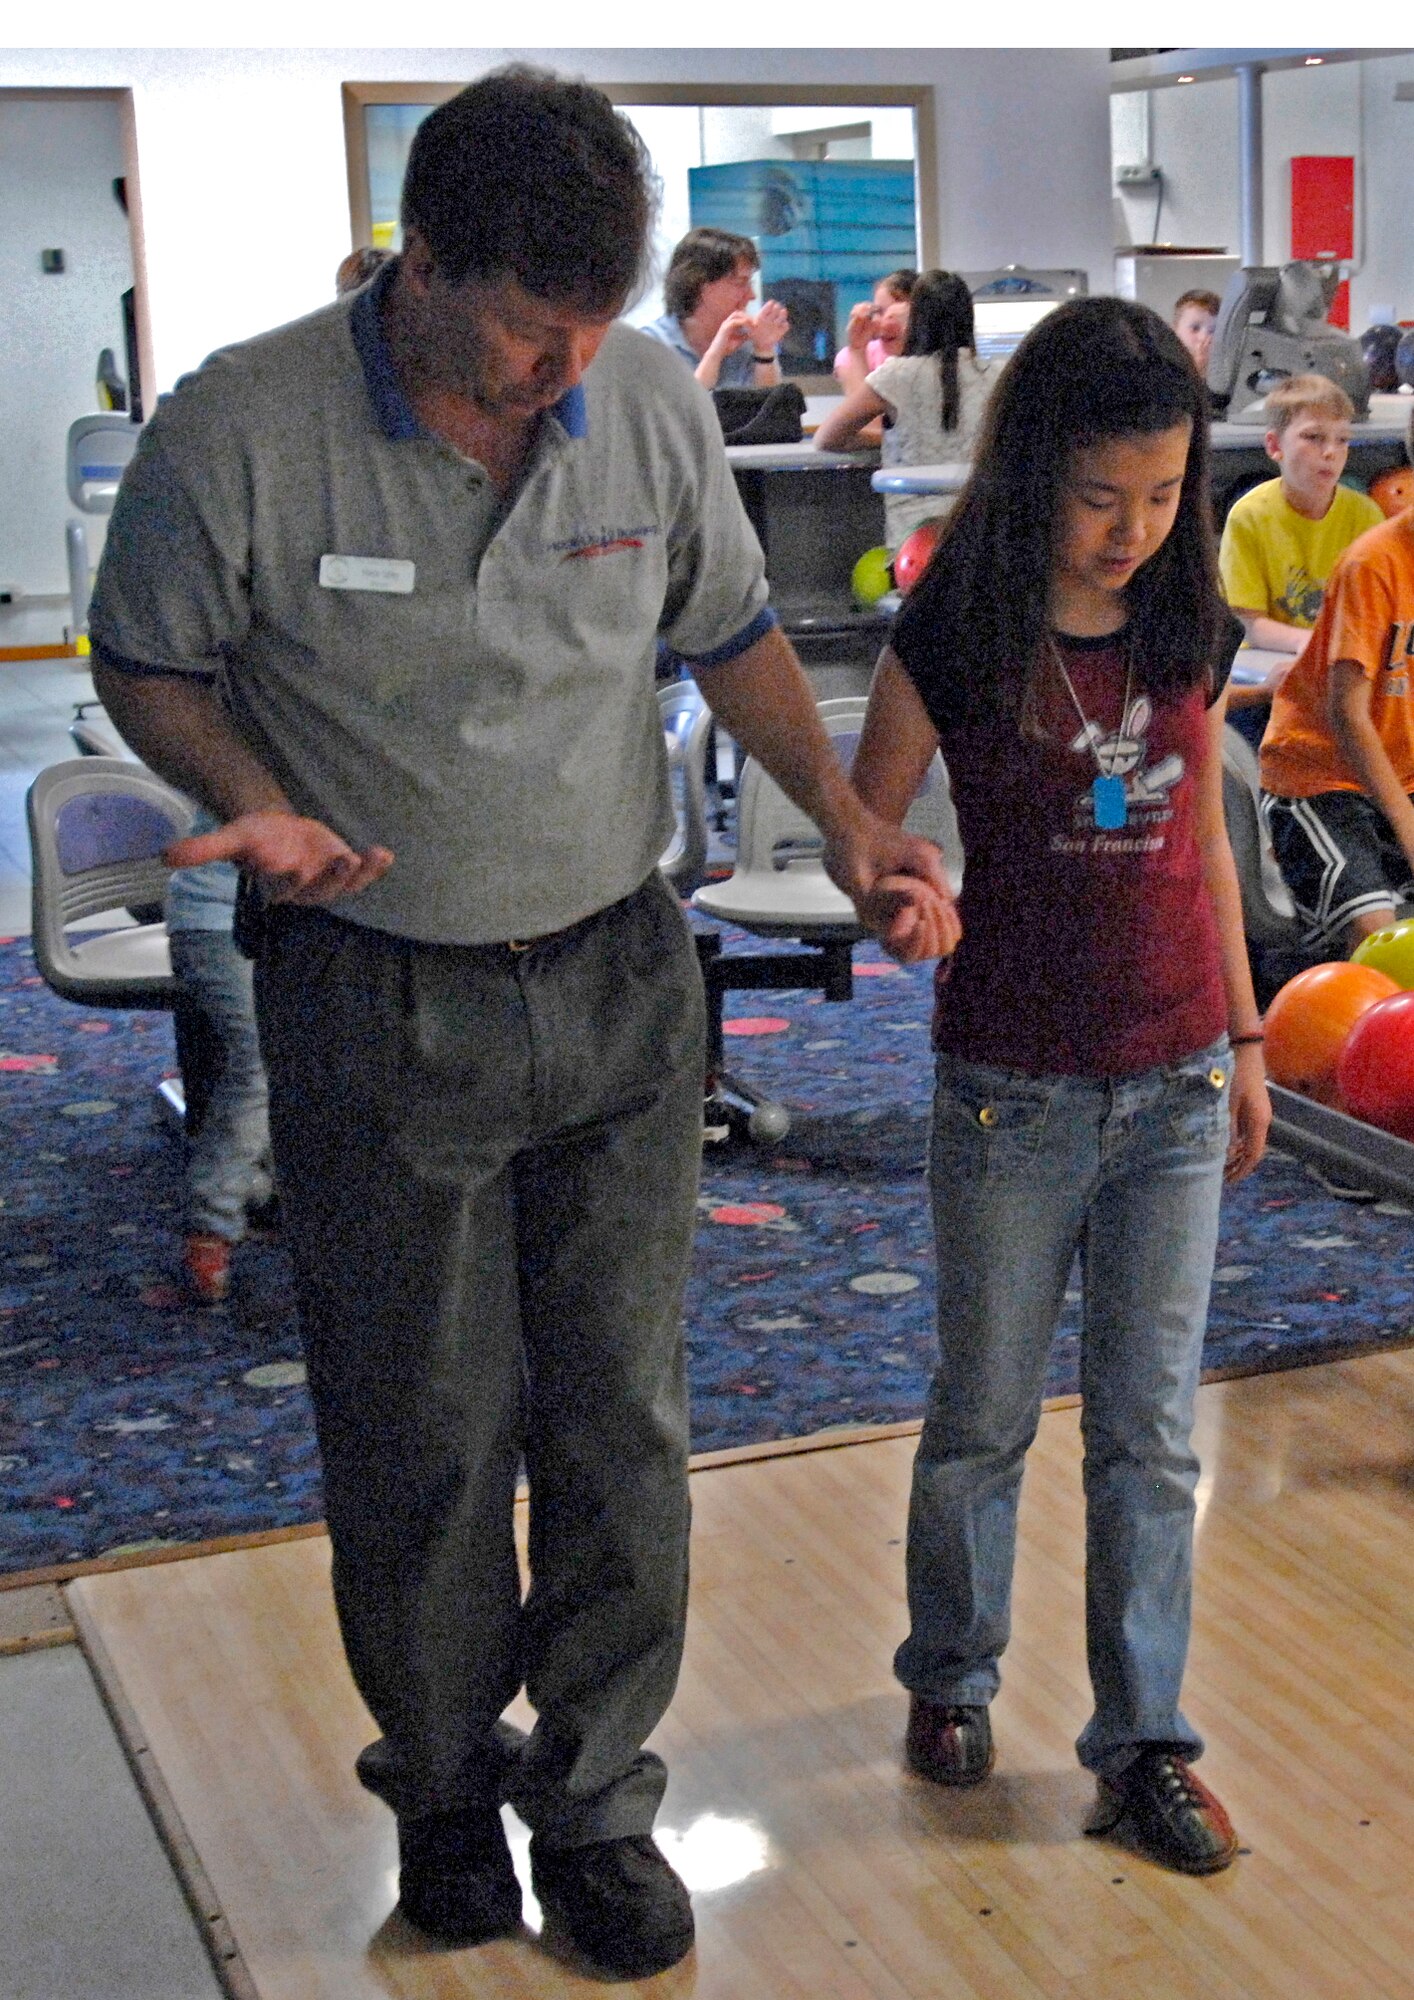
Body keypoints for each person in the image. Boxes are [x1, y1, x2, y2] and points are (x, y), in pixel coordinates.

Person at [86, 66, 951, 1982]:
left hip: (620, 976)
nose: (564, 368)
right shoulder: (244, 426)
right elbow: (144, 659)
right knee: (418, 1431)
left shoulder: (635, 399)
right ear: (419, 262)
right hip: (374, 987)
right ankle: (440, 1793)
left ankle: (594, 1798)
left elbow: (726, 634)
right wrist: (241, 781)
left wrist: (852, 818)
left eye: (593, 323)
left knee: (621, 1422)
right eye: (526, 328)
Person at [848, 296, 1271, 1878]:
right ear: (1038, 474)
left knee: (1151, 1435)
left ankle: (1141, 1740)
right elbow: (868, 833)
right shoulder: (959, 616)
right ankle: (949, 1678)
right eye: (1102, 497)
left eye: (1163, 495)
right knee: (981, 1414)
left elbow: (1203, 846)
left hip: (1167, 1082)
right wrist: (901, 901)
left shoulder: (1179, 610)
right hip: (1007, 1088)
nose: (1132, 529)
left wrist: (1241, 1038)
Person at [1258, 405, 1414, 957]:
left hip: (1401, 778)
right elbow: (1348, 715)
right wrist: (1407, 826)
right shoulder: (1373, 564)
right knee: (1376, 934)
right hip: (1321, 778)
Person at [1219, 375, 1384, 750]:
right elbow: (1252, 625)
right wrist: (1315, 645)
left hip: (1345, 667)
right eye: (1313, 438)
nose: (1331, 452)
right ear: (1274, 445)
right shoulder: (1249, 516)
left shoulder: (1366, 514)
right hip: (1269, 669)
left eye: (1342, 440)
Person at [164, 809, 274, 1305]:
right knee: (260, 1065)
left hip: (277, 916)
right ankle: (212, 1224)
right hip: (218, 921)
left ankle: (262, 1188)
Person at [814, 269, 993, 554]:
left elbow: (826, 438)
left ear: (915, 317)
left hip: (913, 545)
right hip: (984, 534)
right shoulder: (997, 373)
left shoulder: (896, 375)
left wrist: (892, 442)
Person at [640, 225, 789, 388]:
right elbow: (683, 412)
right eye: (741, 283)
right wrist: (715, 354)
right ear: (698, 284)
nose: (751, 295)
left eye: (750, 283)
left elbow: (770, 409)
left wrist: (764, 350)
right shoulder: (650, 345)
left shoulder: (746, 343)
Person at [833, 267, 917, 397]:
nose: (883, 323)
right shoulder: (851, 357)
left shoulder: (935, 362)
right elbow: (864, 416)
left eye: (894, 314)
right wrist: (857, 351)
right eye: (878, 312)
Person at [1171, 287, 1220, 376]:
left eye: (1213, 331)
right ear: (1175, 331)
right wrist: (1199, 367)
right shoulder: (1167, 366)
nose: (1204, 337)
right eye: (1195, 328)